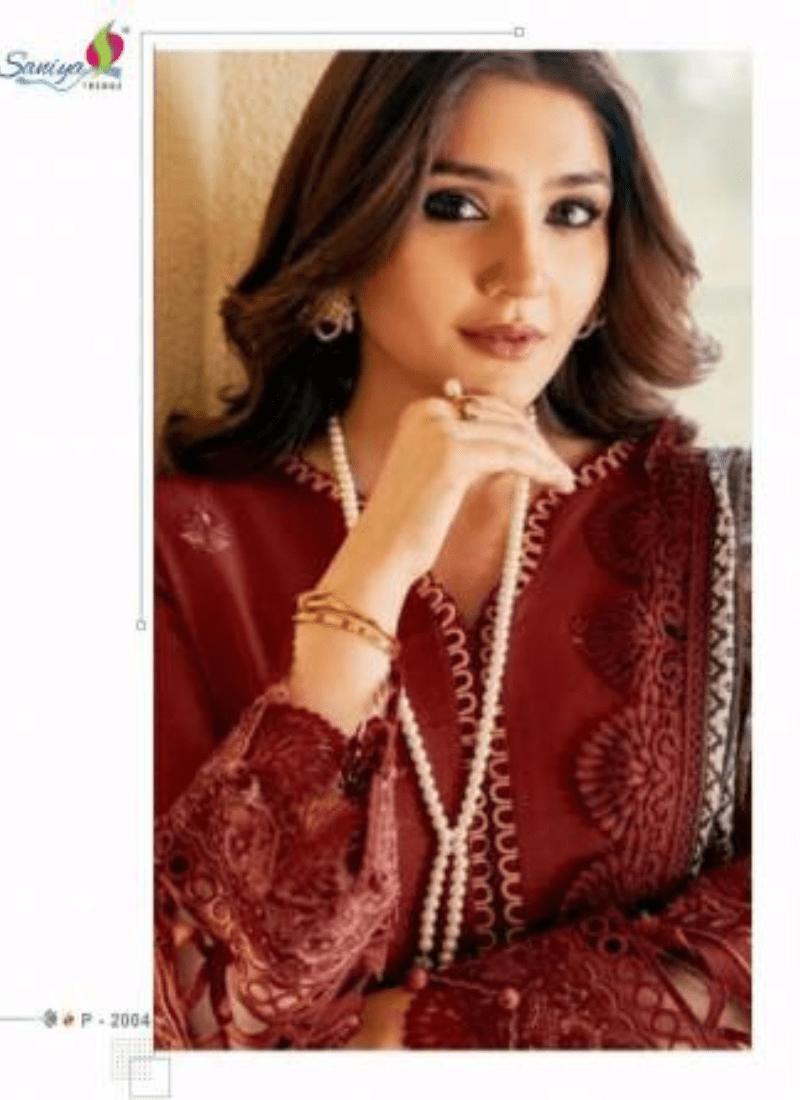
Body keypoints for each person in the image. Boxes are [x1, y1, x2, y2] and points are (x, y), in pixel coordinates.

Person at [154, 51, 750, 1050]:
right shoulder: (178, 553)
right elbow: (192, 1017)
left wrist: (439, 1032)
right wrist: (368, 580)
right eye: (455, 205)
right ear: (347, 230)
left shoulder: (731, 525)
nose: (524, 272)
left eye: (572, 213)